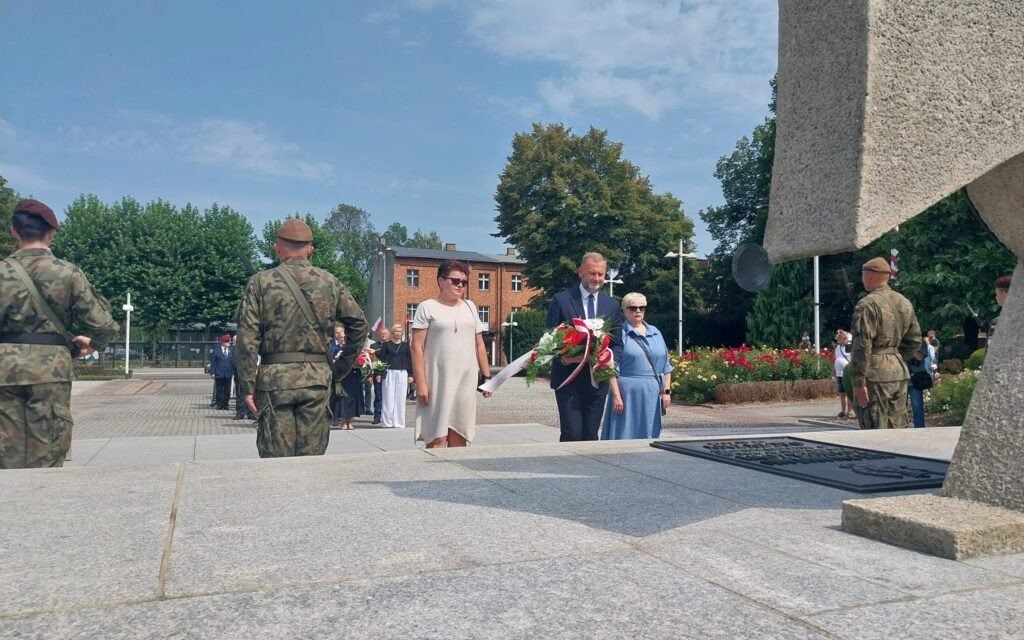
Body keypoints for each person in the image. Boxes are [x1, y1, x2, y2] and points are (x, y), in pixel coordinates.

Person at [0, 198, 119, 468]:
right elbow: (102, 323)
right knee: (48, 450)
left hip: (3, 369)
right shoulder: (68, 273)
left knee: (5, 453)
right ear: (51, 233)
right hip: (50, 370)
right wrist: (93, 344)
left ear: (14, 232)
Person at [235, 218, 367, 457]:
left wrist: (247, 385)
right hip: (317, 380)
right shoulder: (329, 281)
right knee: (312, 462)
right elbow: (359, 326)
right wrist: (340, 369)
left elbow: (247, 338)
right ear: (310, 249)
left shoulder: (260, 283)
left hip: (275, 381)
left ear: (277, 247)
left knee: (276, 463)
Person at [410, 260, 492, 448]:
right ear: (440, 280)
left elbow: (479, 345)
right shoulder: (427, 307)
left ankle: (455, 476)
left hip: (465, 377)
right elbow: (416, 347)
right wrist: (421, 383)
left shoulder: (470, 307)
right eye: (455, 281)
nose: (460, 285)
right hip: (437, 378)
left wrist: (487, 377)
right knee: (438, 438)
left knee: (459, 435)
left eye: (464, 282)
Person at [545, 252, 623, 442]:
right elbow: (548, 339)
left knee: (590, 434)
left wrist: (608, 359)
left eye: (601, 274)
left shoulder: (612, 305)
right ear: (581, 272)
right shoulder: (562, 300)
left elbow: (618, 344)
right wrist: (564, 357)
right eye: (592, 273)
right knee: (572, 433)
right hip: (568, 379)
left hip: (598, 380)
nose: (597, 278)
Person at [847, 257, 922, 430]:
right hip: (898, 371)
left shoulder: (868, 304)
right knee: (898, 429)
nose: (862, 279)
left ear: (871, 275)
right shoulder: (903, 301)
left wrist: (858, 382)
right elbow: (915, 338)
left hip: (874, 374)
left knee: (874, 430)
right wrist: (894, 356)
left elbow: (862, 344)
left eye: (863, 275)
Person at [602, 293, 673, 440]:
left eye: (642, 307)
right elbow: (610, 368)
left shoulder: (656, 332)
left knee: (650, 433)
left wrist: (666, 391)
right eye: (633, 308)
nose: (638, 311)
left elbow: (666, 365)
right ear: (625, 310)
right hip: (627, 393)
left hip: (653, 392)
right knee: (625, 432)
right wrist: (616, 396)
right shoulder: (618, 334)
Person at [379, 324, 413, 429]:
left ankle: (399, 422)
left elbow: (409, 360)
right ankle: (387, 422)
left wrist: (411, 374)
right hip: (389, 372)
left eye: (400, 331)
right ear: (392, 332)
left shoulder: (405, 345)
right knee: (388, 397)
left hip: (402, 372)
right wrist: (379, 373)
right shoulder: (386, 345)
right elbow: (381, 360)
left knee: (401, 398)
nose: (398, 333)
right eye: (396, 331)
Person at [335, 327, 363, 430]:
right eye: (341, 337)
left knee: (352, 398)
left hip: (353, 376)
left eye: (345, 337)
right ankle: (343, 421)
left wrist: (360, 363)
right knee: (343, 399)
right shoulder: (336, 348)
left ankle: (350, 421)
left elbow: (362, 359)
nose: (343, 339)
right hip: (342, 377)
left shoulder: (355, 348)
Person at [907, 334, 936, 428]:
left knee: (917, 408)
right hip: (900, 378)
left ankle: (919, 429)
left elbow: (920, 357)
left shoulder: (919, 342)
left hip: (915, 379)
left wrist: (908, 346)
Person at [369, 327, 390, 424]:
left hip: (390, 373)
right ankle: (377, 416)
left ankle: (388, 416)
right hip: (378, 373)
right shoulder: (374, 346)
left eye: (385, 333)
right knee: (379, 396)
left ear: (389, 334)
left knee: (389, 396)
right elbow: (371, 361)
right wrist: (374, 374)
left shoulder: (391, 345)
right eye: (382, 333)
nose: (383, 335)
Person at [209, 334, 235, 410]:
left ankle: (225, 404)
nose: (228, 343)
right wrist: (212, 373)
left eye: (229, 341)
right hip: (219, 373)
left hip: (228, 373)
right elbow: (213, 362)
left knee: (227, 390)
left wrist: (233, 371)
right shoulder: (216, 351)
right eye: (226, 341)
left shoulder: (231, 350)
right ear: (222, 342)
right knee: (219, 390)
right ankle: (219, 404)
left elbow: (233, 362)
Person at [328, 326, 346, 427]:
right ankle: (333, 417)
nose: (339, 336)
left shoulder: (346, 346)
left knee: (341, 397)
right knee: (334, 396)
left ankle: (339, 417)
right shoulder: (331, 345)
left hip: (345, 375)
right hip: (334, 374)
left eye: (341, 333)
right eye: (337, 333)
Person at [833, 329, 853, 418]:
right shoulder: (838, 348)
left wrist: (845, 337)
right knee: (842, 393)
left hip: (847, 373)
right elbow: (836, 358)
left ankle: (850, 411)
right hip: (839, 373)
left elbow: (850, 351)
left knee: (849, 392)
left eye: (839, 338)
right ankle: (843, 411)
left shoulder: (849, 346)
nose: (837, 340)